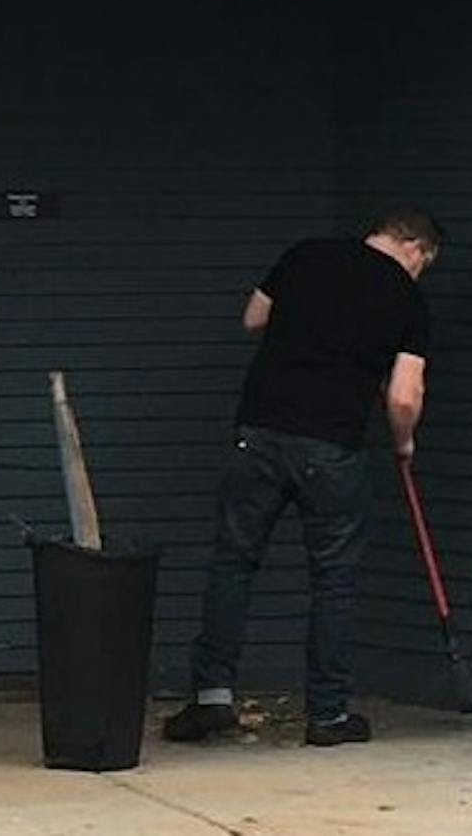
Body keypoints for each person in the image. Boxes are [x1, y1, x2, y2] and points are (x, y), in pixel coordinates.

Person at [162, 207, 441, 747]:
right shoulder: (407, 298)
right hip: (333, 445)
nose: (419, 272)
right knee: (333, 579)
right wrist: (403, 441)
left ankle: (211, 698)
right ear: (413, 246)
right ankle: (329, 713)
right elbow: (405, 394)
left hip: (261, 431)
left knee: (234, 563)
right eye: (424, 263)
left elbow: (253, 319)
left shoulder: (305, 254)